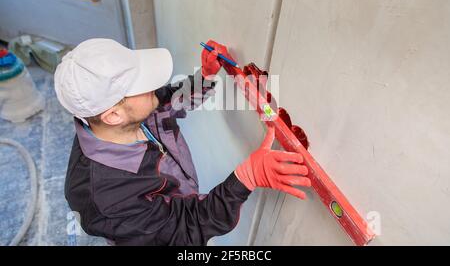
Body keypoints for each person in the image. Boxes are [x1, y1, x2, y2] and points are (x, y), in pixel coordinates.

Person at [54, 38, 311, 246]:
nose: (155, 85)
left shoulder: (122, 117)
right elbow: (187, 228)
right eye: (142, 85)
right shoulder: (105, 198)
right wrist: (246, 177)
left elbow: (168, 101)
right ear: (113, 115)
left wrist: (205, 77)